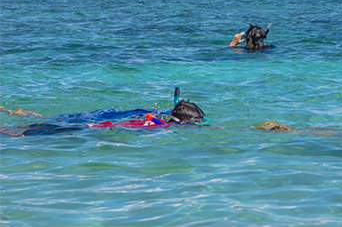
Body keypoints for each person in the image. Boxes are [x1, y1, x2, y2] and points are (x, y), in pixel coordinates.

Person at [0, 95, 208, 137]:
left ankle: (17, 114)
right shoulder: (163, 126)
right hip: (92, 129)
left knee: (41, 124)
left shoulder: (161, 121)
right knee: (28, 134)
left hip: (101, 124)